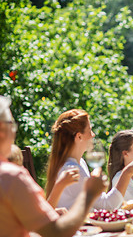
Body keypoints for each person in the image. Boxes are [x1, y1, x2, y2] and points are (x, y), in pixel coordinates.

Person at [0, 96, 107, 237]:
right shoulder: (10, 177)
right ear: (2, 130)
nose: (14, 132)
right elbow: (56, 232)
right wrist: (89, 194)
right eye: (13, 125)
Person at [45, 109, 133, 210]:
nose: (93, 135)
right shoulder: (71, 169)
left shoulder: (80, 163)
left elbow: (98, 202)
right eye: (90, 130)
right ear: (79, 136)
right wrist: (127, 173)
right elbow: (107, 206)